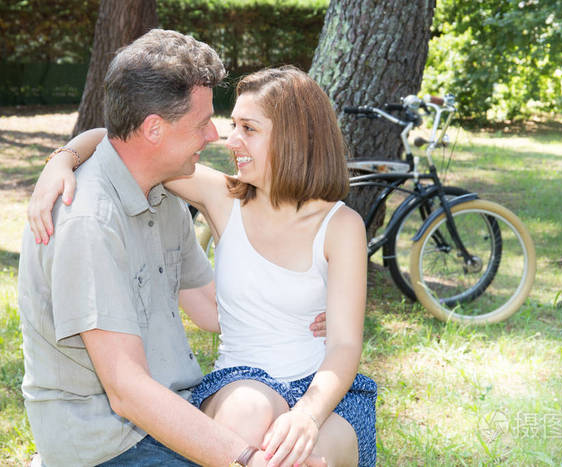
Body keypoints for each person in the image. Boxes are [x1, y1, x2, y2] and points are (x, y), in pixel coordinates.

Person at [28, 66, 377, 467]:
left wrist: (306, 416)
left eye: (249, 128)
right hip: (241, 383)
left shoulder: (341, 225)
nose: (231, 140)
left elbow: (346, 346)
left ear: (294, 136)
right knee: (249, 414)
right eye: (234, 125)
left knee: (311, 460)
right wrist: (62, 160)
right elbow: (117, 144)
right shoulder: (222, 196)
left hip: (322, 393)